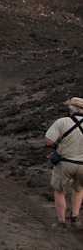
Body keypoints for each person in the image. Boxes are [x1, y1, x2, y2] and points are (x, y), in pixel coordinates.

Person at [46, 97, 83, 229]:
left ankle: (61, 222)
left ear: (70, 110)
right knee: (78, 189)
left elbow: (49, 141)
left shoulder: (62, 122)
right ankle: (75, 218)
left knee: (59, 190)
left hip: (65, 163)